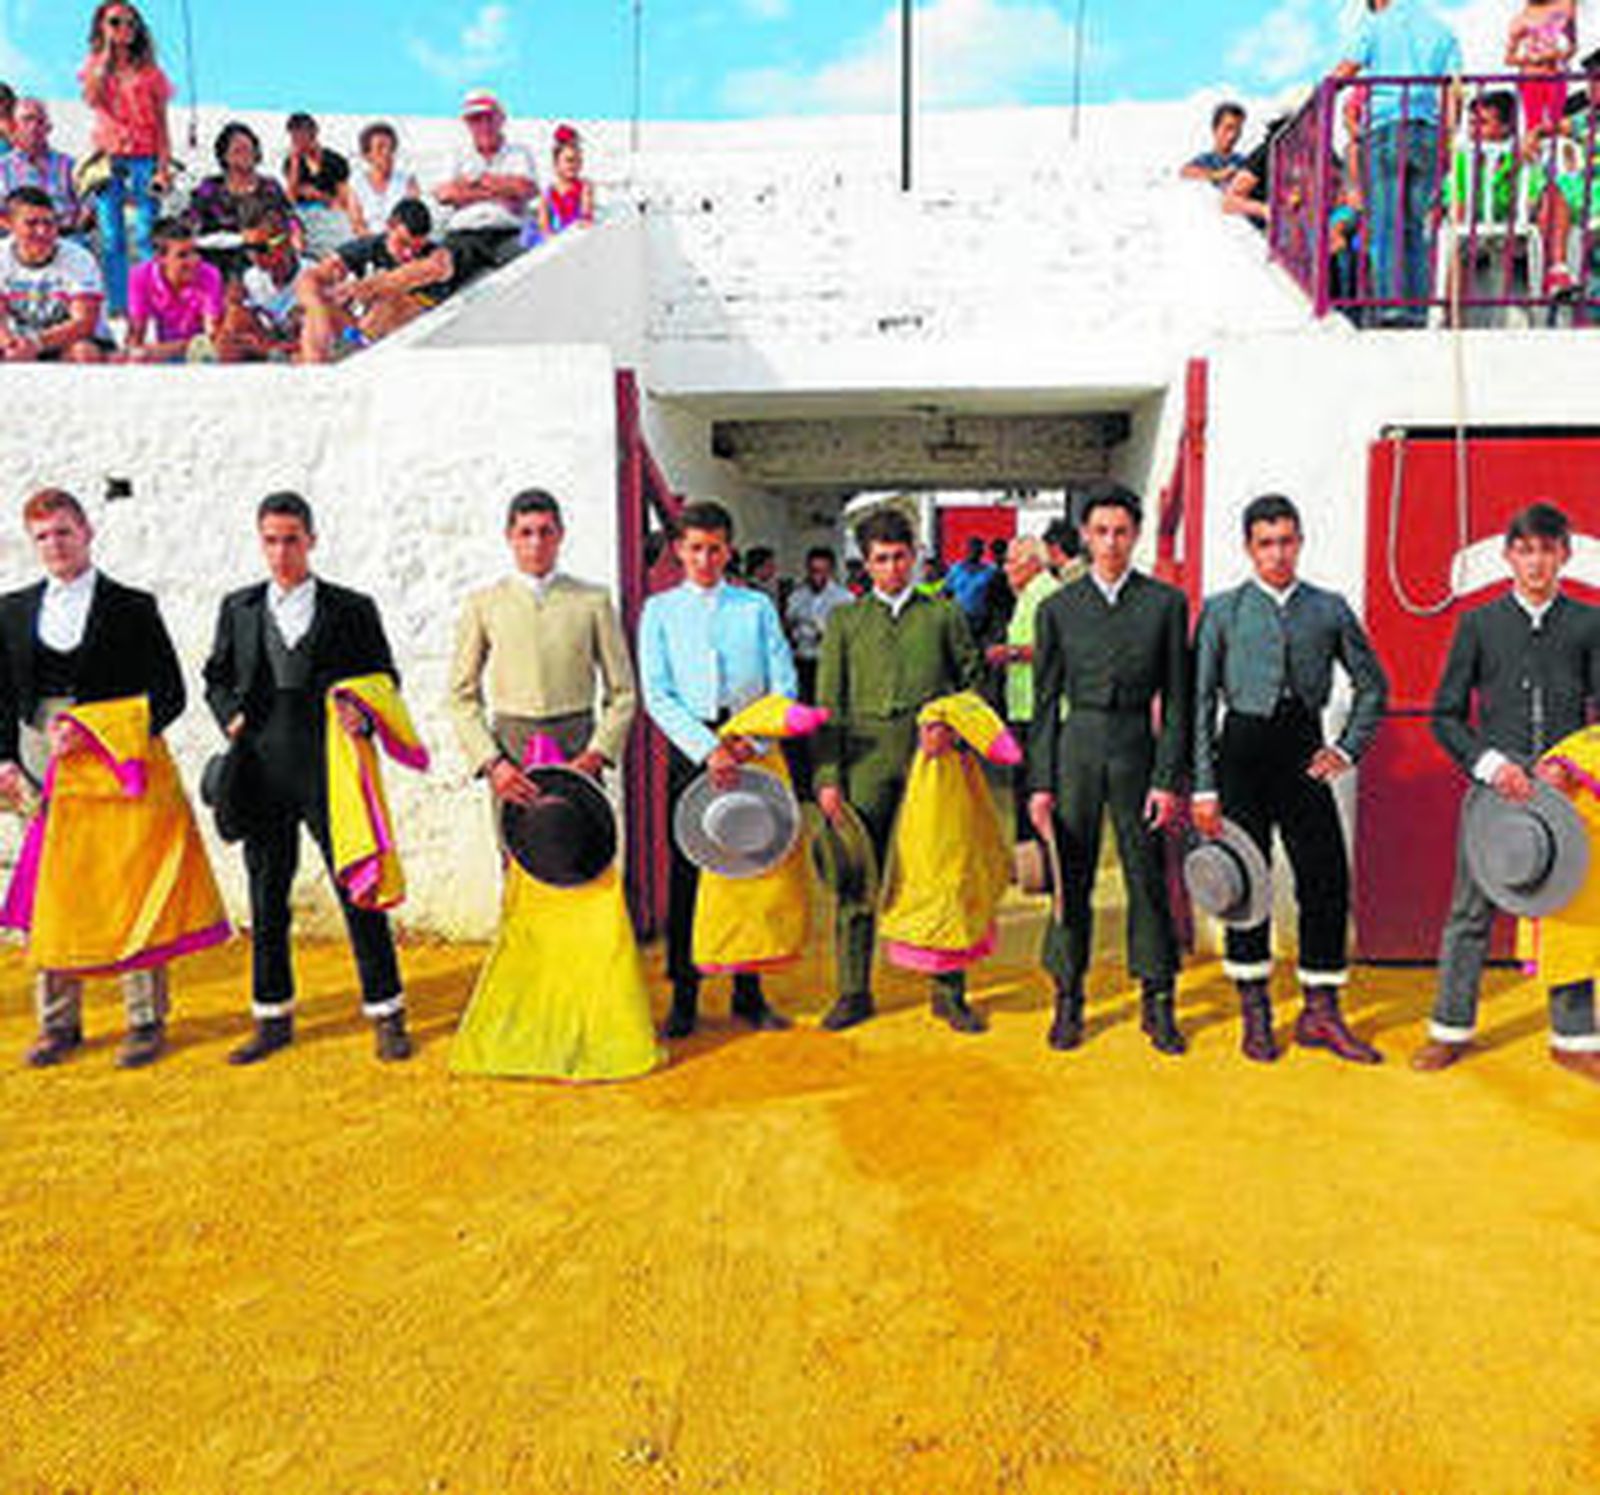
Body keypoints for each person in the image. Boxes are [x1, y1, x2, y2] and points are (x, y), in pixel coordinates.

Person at [0, 488, 213, 1069]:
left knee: (131, 880)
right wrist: (5, 761)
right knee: (53, 888)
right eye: (43, 535)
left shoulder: (132, 607)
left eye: (64, 531)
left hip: (114, 755)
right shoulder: (10, 610)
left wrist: (103, 730)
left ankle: (145, 1019)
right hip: (42, 752)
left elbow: (170, 694)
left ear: (88, 531)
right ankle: (57, 1023)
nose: (55, 545)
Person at [204, 492, 414, 1065]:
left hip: (329, 770)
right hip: (262, 766)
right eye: (270, 540)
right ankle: (271, 1016)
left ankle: (387, 1011)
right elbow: (215, 677)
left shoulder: (352, 608)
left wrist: (363, 712)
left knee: (359, 888)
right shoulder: (239, 608)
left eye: (291, 539)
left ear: (312, 540)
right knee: (266, 894)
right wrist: (229, 717)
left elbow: (385, 677)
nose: (280, 552)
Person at [1192, 494, 1390, 1064]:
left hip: (1303, 750)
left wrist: (1347, 748)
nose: (1278, 553)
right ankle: (1254, 1011)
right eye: (1266, 543)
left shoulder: (1328, 608)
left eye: (1286, 541)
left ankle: (1320, 1011)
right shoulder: (1223, 610)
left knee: (1325, 877)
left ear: (1300, 541)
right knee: (1244, 884)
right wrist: (1204, 785)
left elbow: (1373, 685)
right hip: (1241, 753)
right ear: (1249, 548)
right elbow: (1202, 701)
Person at [1415, 502, 1600, 1078]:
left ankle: (1573, 1039)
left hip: (1565, 785)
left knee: (1569, 906)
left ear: (1565, 556)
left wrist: (1575, 766)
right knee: (1471, 907)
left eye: (1547, 549)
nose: (1536, 561)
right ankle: (1450, 1028)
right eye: (1525, 550)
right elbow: (1444, 715)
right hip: (1499, 783)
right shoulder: (1478, 624)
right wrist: (1491, 765)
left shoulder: (1591, 623)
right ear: (1508, 557)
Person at [1027, 482, 1191, 1055]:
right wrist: (1040, 783)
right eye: (1101, 532)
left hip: (1136, 748)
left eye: (1122, 531)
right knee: (1071, 880)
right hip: (1077, 746)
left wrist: (1168, 778)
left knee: (1147, 876)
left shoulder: (1165, 604)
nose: (1112, 542)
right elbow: (1043, 704)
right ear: (1085, 538)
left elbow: (1178, 701)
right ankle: (1068, 999)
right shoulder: (1057, 610)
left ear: (1137, 535)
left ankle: (1158, 999)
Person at [815, 507, 985, 1032]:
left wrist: (952, 728)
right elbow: (828, 704)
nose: (892, 568)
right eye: (881, 559)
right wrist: (827, 778)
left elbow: (975, 683)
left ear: (915, 557)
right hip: (865, 762)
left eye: (900, 557)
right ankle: (853, 990)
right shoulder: (845, 621)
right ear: (865, 565)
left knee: (940, 876)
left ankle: (948, 992)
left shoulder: (943, 615)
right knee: (856, 875)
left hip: (929, 761)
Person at [638, 500, 798, 1038]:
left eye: (714, 548)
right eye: (695, 548)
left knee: (750, 865)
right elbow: (657, 694)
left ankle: (748, 992)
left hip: (752, 742)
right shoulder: (658, 611)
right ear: (679, 551)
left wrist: (750, 741)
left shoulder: (755, 607)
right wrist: (709, 749)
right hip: (693, 753)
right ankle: (685, 995)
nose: (705, 558)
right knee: (690, 873)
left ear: (728, 550)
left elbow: (785, 683)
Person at [450, 487, 636, 793]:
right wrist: (493, 762)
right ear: (510, 536)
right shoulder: (484, 603)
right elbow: (461, 696)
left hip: (577, 743)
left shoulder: (592, 601)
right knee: (520, 837)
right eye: (526, 533)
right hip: (512, 749)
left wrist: (597, 753)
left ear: (560, 535)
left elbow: (623, 692)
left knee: (581, 837)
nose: (536, 543)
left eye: (545, 532)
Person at [1335, 0, 1463, 326]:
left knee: (1386, 227)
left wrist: (1322, 89)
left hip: (1387, 129)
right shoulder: (1442, 30)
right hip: (1428, 132)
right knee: (1415, 229)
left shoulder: (1375, 24)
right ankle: (1416, 311)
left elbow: (1345, 70)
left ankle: (1393, 308)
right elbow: (1454, 91)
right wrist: (1448, 139)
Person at [79, 2, 173, 317]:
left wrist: (163, 169)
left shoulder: (151, 73)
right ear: (102, 27)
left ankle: (150, 301)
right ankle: (119, 306)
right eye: (116, 22)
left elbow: (162, 125)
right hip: (109, 159)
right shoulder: (95, 65)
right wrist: (106, 51)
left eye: (131, 23)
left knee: (147, 232)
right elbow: (92, 97)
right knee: (111, 235)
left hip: (144, 159)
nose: (125, 29)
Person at [296, 199, 457, 363]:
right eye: (403, 243)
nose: (409, 254)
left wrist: (364, 287)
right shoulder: (369, 246)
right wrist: (316, 305)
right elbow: (310, 278)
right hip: (360, 330)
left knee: (390, 299)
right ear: (390, 226)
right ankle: (313, 369)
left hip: (400, 328)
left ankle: (352, 348)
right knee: (314, 306)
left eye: (416, 248)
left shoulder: (436, 255)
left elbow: (411, 275)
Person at [989, 536, 1061, 839]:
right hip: (1024, 703)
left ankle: (1038, 851)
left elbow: (1055, 648)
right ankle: (1028, 851)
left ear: (1033, 563)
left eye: (1011, 562)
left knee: (1036, 784)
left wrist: (1011, 653)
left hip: (1041, 708)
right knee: (1023, 781)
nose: (1005, 569)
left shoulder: (1047, 594)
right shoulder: (1028, 593)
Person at [434, 90, 536, 285]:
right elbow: (444, 194)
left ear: (501, 119)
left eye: (488, 117)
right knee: (443, 268)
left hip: (508, 230)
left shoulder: (519, 152)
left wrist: (472, 185)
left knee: (530, 269)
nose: (483, 125)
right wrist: (501, 190)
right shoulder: (457, 153)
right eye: (475, 120)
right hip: (465, 232)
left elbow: (526, 189)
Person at [0, 186, 110, 363]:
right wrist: (8, 343)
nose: (42, 231)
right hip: (21, 340)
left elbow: (84, 322)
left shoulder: (79, 258)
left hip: (71, 340)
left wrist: (36, 344)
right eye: (32, 223)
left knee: (84, 352)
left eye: (49, 223)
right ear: (8, 223)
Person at [124, 217, 224, 362]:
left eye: (194, 251)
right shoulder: (140, 276)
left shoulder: (208, 274)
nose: (194, 260)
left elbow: (212, 337)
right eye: (182, 255)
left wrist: (160, 350)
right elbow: (136, 334)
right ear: (160, 258)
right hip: (172, 351)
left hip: (198, 354)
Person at [219, 201, 303, 361]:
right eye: (248, 249)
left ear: (284, 241)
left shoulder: (313, 276)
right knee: (233, 318)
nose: (254, 257)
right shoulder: (248, 280)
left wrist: (263, 348)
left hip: (302, 359)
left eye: (260, 248)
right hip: (268, 353)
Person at [185, 122, 295, 244]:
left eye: (248, 149)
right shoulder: (210, 187)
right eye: (237, 151)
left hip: (265, 255)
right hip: (217, 256)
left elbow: (289, 221)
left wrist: (285, 236)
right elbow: (190, 221)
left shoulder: (270, 187)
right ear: (225, 157)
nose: (245, 155)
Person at [0, 100, 83, 235]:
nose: (33, 127)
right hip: (18, 241)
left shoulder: (68, 165)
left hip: (64, 238)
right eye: (27, 120)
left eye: (40, 122)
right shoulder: (3, 168)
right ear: (14, 126)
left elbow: (87, 208)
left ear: (48, 128)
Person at [785, 546, 855, 703]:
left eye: (823, 571)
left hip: (829, 661)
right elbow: (788, 625)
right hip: (802, 659)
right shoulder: (797, 596)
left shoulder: (844, 599)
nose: (818, 576)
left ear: (831, 571)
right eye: (814, 570)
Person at [283, 112, 354, 260]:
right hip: (304, 217)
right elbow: (289, 198)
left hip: (331, 216)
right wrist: (295, 163)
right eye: (294, 137)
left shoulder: (335, 162)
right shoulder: (290, 163)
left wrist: (322, 197)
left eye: (302, 134)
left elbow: (345, 197)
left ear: (313, 133)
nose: (298, 141)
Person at [1507, 0, 1577, 138]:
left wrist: (1557, 55)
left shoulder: (1562, 16)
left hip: (1556, 78)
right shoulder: (1520, 21)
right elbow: (1509, 58)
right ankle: (1533, 155)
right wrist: (1533, 59)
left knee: (1557, 122)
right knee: (1533, 124)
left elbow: (1571, 48)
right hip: (1531, 80)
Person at [349, 122, 419, 239]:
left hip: (400, 242)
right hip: (368, 242)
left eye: (390, 148)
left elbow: (414, 221)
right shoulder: (357, 184)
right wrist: (376, 241)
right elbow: (357, 226)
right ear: (367, 155)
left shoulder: (408, 181)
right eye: (380, 148)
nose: (387, 153)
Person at [537, 124, 594, 242]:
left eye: (579, 160)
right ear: (556, 163)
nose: (575, 165)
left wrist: (585, 220)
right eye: (569, 161)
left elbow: (586, 212)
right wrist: (549, 236)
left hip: (576, 238)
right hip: (555, 239)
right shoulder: (549, 191)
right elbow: (543, 223)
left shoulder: (584, 187)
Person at [1181, 102, 1249, 190]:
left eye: (1238, 129)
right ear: (1215, 129)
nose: (1233, 135)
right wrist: (1218, 175)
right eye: (1228, 128)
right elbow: (1185, 172)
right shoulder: (1205, 160)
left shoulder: (1243, 161)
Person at [942, 535, 997, 631]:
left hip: (981, 620)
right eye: (971, 549)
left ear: (982, 552)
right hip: (958, 618)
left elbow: (994, 596)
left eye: (977, 550)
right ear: (966, 551)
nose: (973, 553)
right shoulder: (956, 570)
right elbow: (946, 592)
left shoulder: (989, 571)